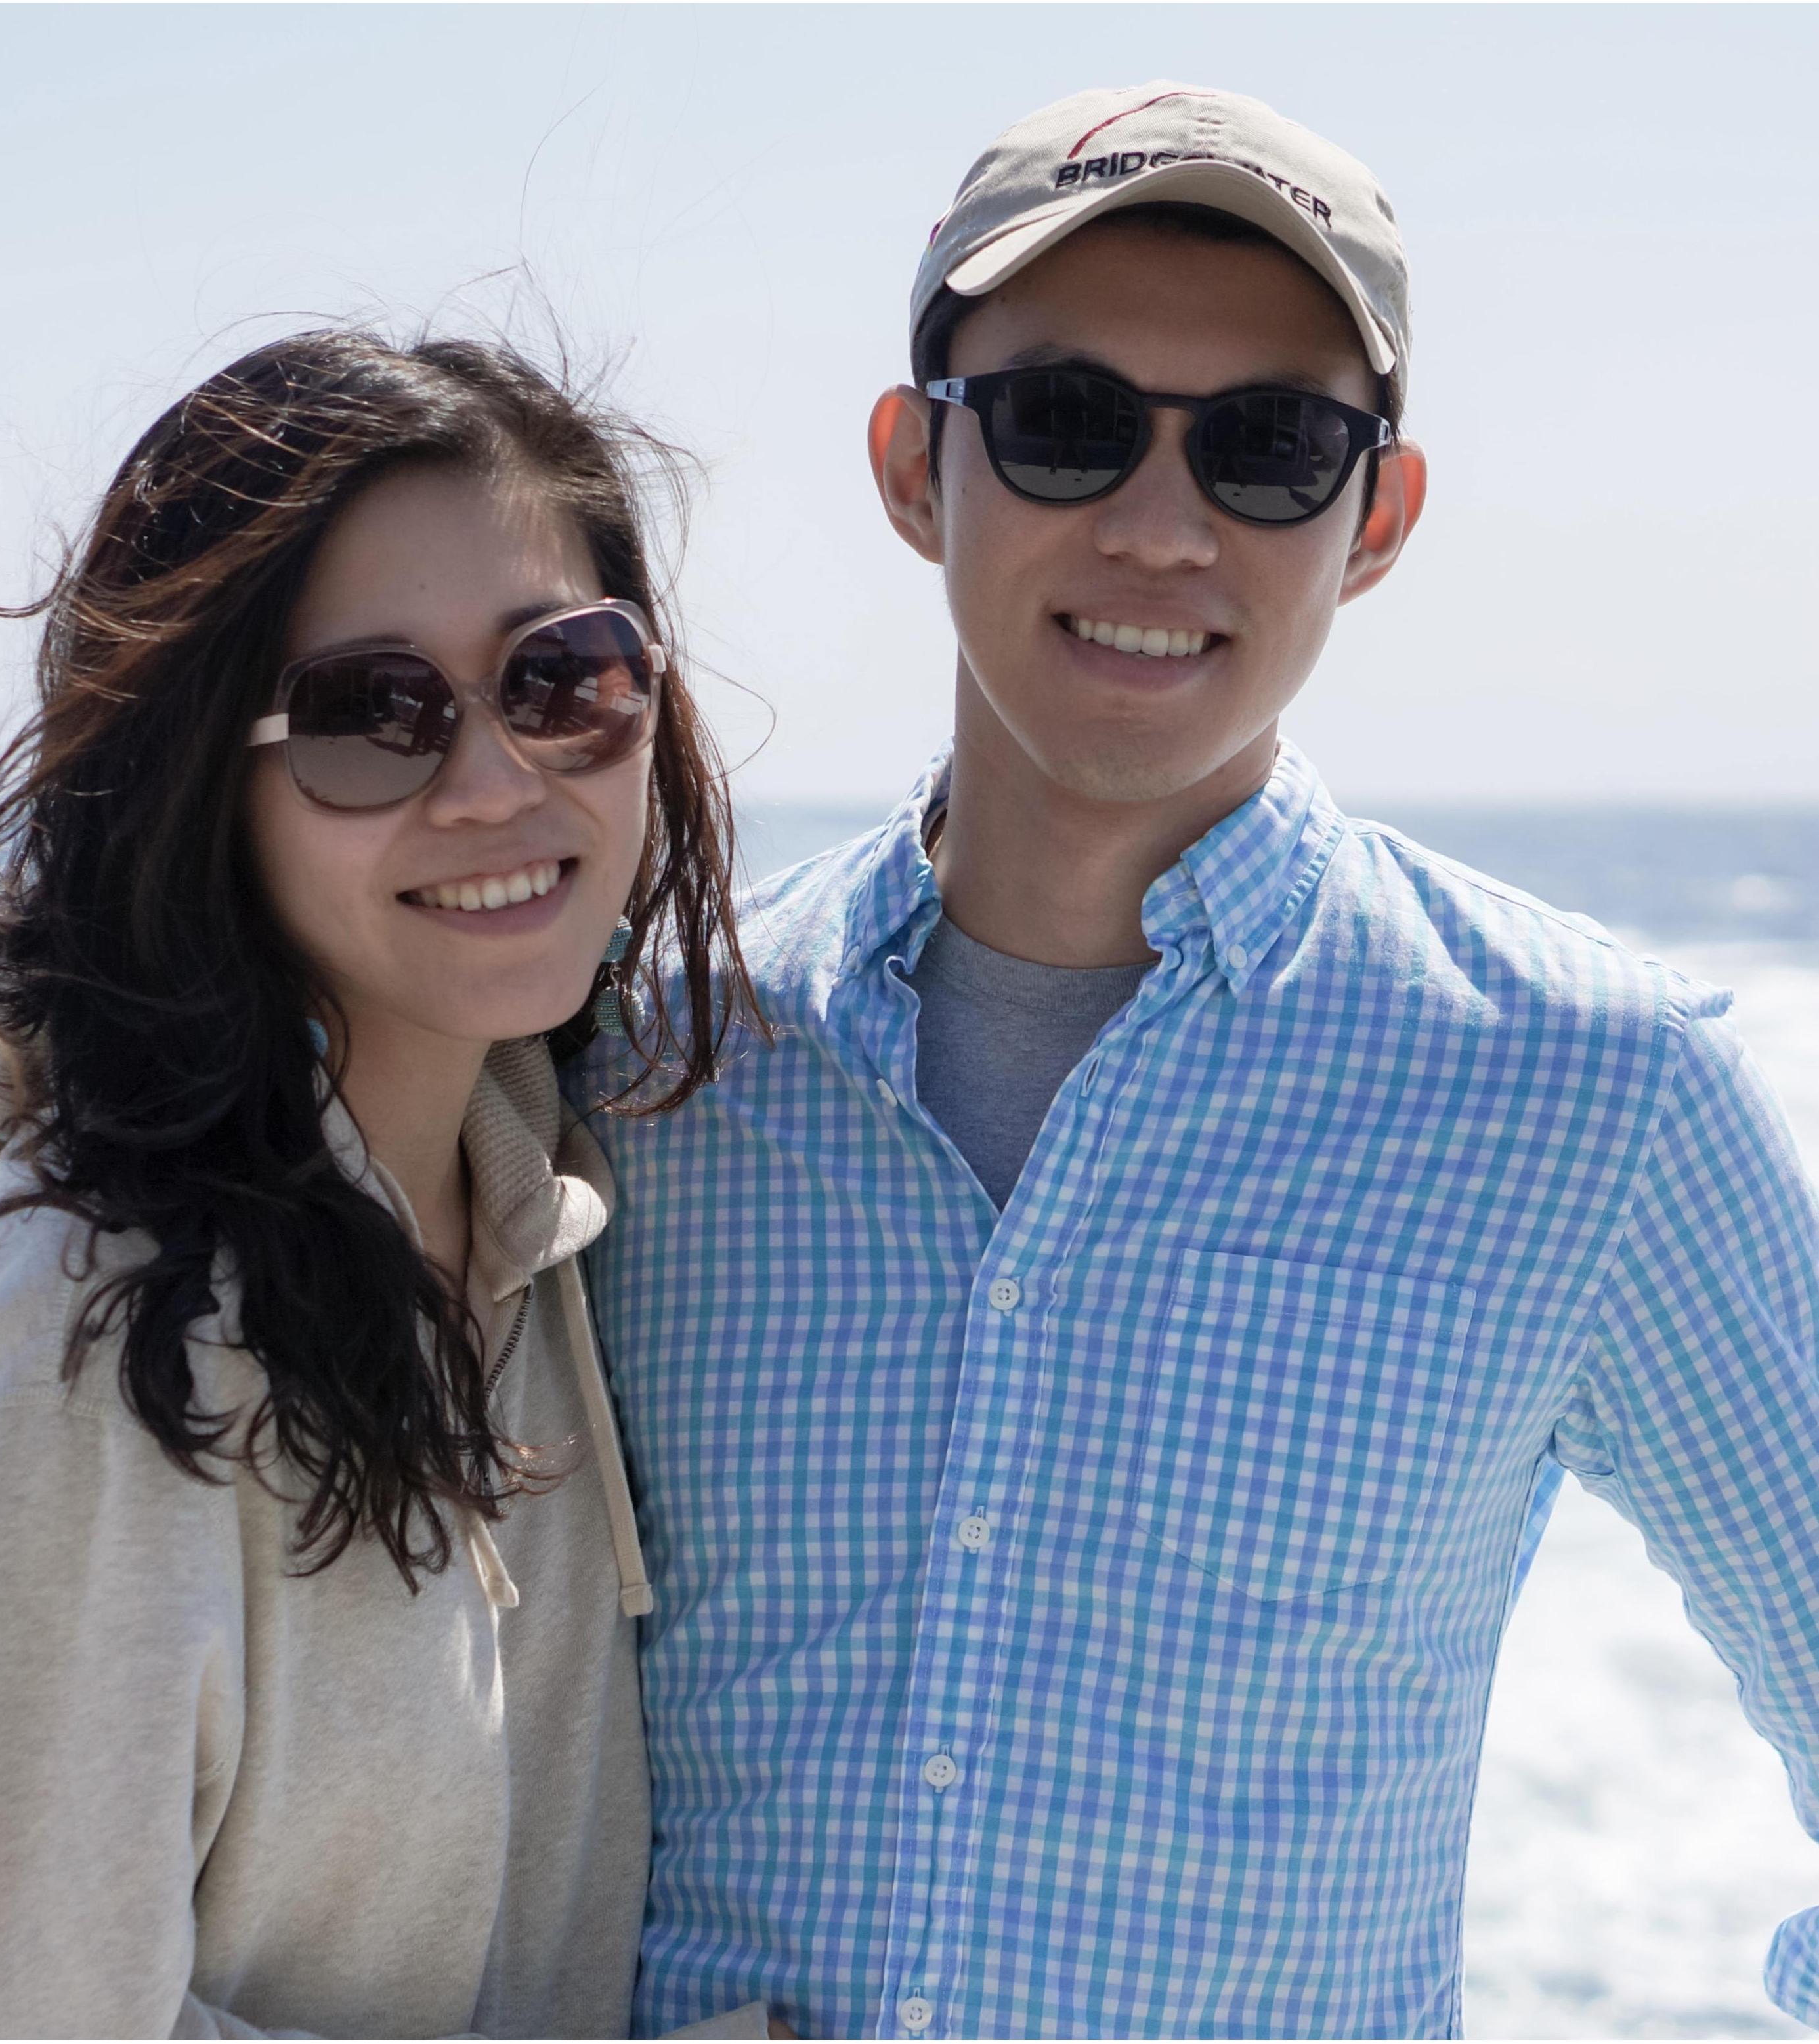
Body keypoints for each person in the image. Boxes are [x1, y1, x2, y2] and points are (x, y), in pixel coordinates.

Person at [571, 83, 1819, 2039]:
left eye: (1268, 449)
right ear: (915, 468)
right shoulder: (643, 1062)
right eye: (1066, 425)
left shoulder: (1595, 1101)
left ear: (1375, 517)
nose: (1160, 530)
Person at [0, 331, 770, 2038]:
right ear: (196, 783)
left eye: (561, 678)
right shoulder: (87, 1352)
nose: (491, 781)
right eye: (367, 717)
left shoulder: (541, 1222)